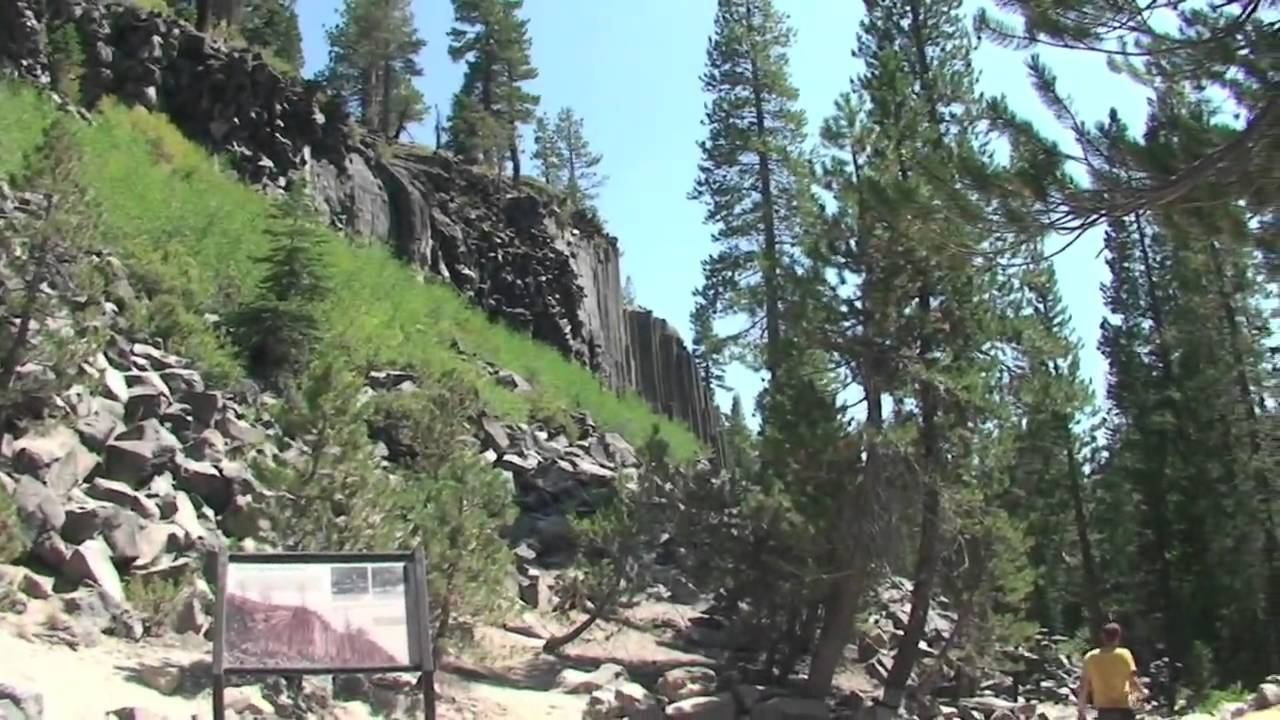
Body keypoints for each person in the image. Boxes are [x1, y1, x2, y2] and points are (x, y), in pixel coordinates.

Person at [1077, 622, 1148, 720]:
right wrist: (1143, 693)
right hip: (1122, 706)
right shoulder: (1124, 654)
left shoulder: (1090, 657)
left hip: (1103, 708)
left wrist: (1081, 711)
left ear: (1102, 637)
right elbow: (1133, 681)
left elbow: (1084, 686)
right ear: (1118, 636)